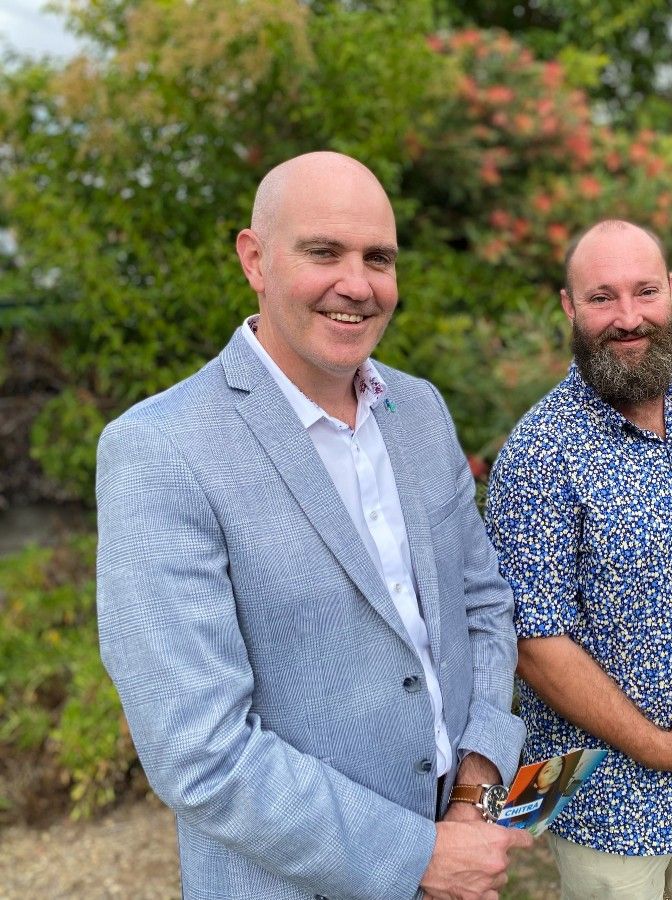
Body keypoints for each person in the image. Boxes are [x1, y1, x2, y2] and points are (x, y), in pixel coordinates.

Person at [96, 151, 532, 900]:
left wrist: (474, 789)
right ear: (255, 259)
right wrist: (419, 857)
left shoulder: (420, 410)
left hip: (463, 859)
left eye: (379, 258)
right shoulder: (160, 451)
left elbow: (485, 608)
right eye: (324, 252)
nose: (357, 284)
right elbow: (200, 753)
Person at [485, 219, 672, 898]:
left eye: (645, 291)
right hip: (605, 799)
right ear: (568, 306)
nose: (628, 317)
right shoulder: (538, 454)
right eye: (601, 298)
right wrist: (664, 748)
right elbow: (534, 643)